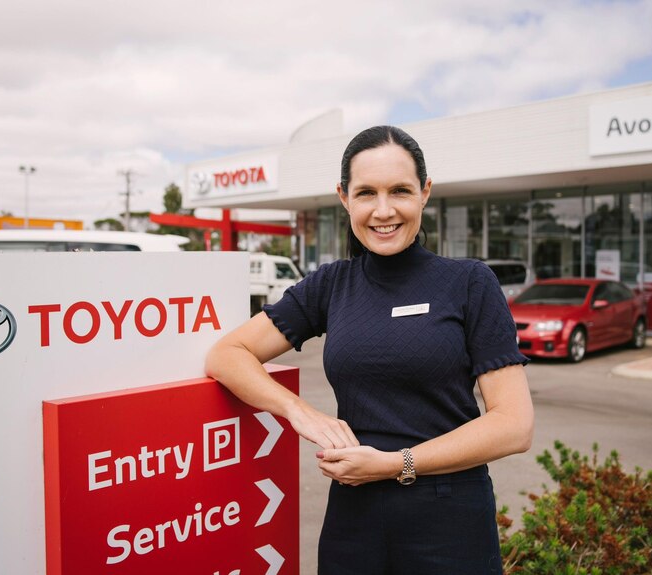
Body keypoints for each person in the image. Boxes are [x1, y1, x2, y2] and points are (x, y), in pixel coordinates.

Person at [205, 125, 534, 575]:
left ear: (425, 193)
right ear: (344, 198)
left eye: (400, 190)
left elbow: (514, 426)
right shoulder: (331, 285)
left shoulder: (470, 283)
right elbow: (227, 353)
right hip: (354, 518)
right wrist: (299, 411)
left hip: (449, 518)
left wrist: (396, 464)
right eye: (366, 193)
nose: (383, 211)